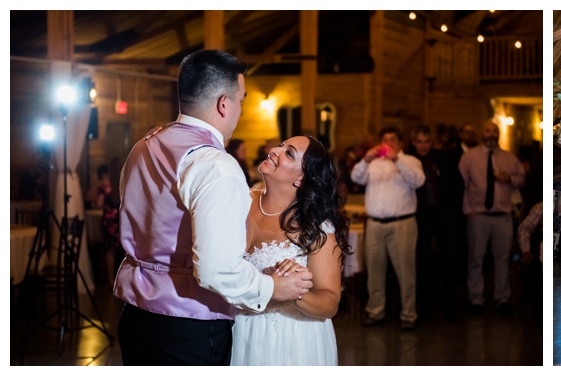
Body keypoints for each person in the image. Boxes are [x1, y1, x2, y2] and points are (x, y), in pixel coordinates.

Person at [113, 49, 313, 366]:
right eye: (241, 100)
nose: (239, 109)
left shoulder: (143, 145)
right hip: (187, 326)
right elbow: (215, 270)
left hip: (134, 315)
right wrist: (272, 286)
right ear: (223, 103)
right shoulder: (216, 165)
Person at [231, 136, 351, 365]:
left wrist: (295, 291)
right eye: (281, 145)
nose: (275, 150)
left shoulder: (315, 227)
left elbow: (329, 302)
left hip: (292, 339)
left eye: (289, 153)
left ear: (301, 179)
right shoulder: (239, 201)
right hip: (239, 328)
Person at [351, 126, 425, 330]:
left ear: (400, 142)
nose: (388, 143)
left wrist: (396, 160)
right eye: (385, 139)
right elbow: (356, 178)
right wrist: (366, 159)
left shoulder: (410, 161)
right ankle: (376, 311)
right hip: (375, 224)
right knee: (374, 269)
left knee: (405, 270)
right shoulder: (373, 163)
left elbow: (418, 181)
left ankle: (409, 314)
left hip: (402, 223)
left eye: (393, 139)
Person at [459, 119, 525, 314]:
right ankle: (476, 299)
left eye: (494, 131)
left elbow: (521, 178)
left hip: (503, 215)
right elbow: (461, 185)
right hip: (478, 215)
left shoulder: (509, 158)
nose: (491, 134)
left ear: (498, 134)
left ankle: (502, 298)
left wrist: (510, 179)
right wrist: (467, 210)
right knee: (475, 258)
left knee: (502, 259)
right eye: (487, 130)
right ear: (482, 133)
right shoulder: (469, 158)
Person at [406, 125, 461, 317]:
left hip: (443, 213)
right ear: (414, 143)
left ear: (431, 142)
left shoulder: (442, 158)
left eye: (426, 141)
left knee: (450, 256)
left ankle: (448, 303)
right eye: (419, 142)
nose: (423, 146)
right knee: (421, 259)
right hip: (420, 215)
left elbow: (455, 183)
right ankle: (423, 306)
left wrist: (454, 210)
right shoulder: (408, 160)